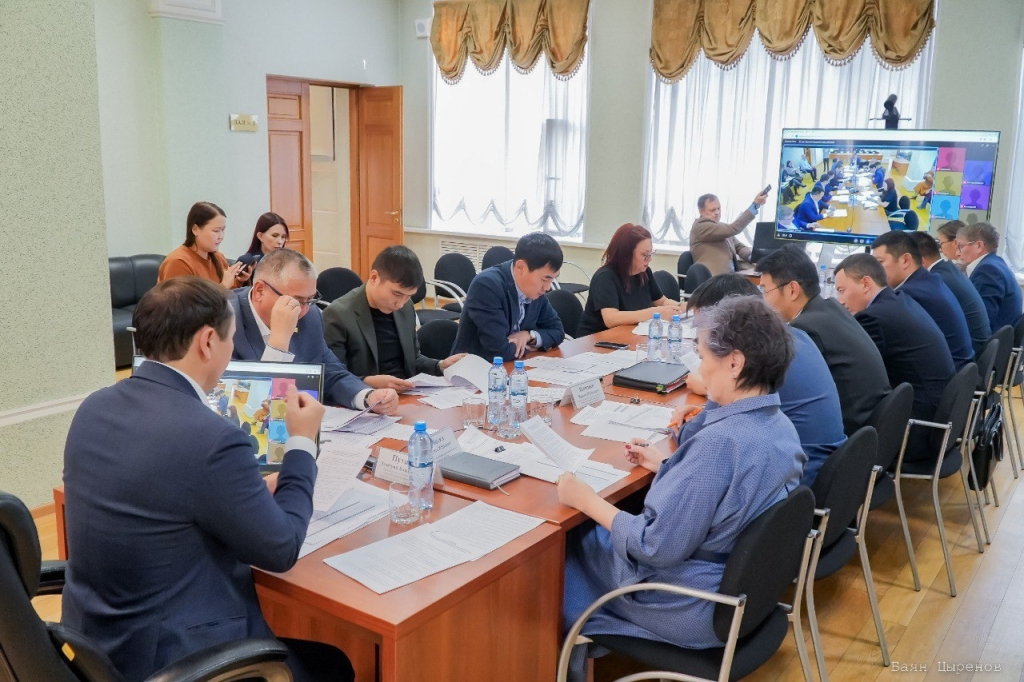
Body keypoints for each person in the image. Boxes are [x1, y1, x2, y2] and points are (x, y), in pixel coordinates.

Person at [61, 277, 354, 681]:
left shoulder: (94, 407)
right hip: (175, 656)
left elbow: (163, 492)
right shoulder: (212, 437)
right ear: (207, 342)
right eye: (231, 338)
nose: (232, 349)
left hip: (94, 646)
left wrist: (245, 490)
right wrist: (301, 443)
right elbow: (281, 550)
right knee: (336, 664)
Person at [556, 297, 804, 681]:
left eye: (704, 358)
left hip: (692, 605)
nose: (700, 369)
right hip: (747, 596)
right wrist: (668, 465)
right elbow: (729, 496)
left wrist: (585, 500)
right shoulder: (780, 427)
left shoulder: (719, 445)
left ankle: (570, 661)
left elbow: (653, 547)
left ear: (735, 363)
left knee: (571, 540)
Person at [680, 275, 845, 487]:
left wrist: (682, 425)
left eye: (704, 325)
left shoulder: (749, 362)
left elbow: (693, 438)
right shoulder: (793, 337)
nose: (702, 337)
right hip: (826, 467)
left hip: (798, 478)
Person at [231, 248, 398, 414]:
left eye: (310, 300)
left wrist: (368, 397)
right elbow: (245, 409)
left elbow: (331, 373)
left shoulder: (310, 316)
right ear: (260, 291)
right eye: (297, 300)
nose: (303, 311)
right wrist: (279, 341)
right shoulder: (224, 320)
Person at [756, 245, 891, 435]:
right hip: (871, 424)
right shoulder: (831, 308)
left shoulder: (804, 330)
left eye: (765, 290)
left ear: (793, 290)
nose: (763, 301)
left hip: (851, 432)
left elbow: (781, 392)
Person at [833, 254, 955, 445]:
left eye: (842, 290)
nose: (839, 300)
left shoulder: (873, 318)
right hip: (935, 415)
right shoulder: (898, 300)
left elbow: (851, 373)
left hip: (916, 429)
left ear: (866, 283)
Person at [323, 245, 466, 388]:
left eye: (409, 296)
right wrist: (368, 382)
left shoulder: (406, 307)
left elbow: (413, 360)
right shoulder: (338, 315)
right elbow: (333, 377)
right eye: (397, 294)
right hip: (367, 395)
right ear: (374, 278)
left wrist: (440, 365)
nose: (400, 304)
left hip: (407, 391)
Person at [451, 232, 566, 361]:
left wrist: (529, 336)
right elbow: (499, 352)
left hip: (514, 365)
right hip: (476, 368)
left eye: (553, 279)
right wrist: (529, 347)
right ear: (521, 267)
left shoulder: (535, 291)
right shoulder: (487, 286)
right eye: (545, 279)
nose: (548, 287)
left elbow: (558, 332)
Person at [871, 231, 974, 368]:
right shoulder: (929, 281)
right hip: (958, 368)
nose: (874, 271)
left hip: (947, 373)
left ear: (905, 260)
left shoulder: (910, 294)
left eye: (880, 262)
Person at [577, 223, 682, 336]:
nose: (649, 259)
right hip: (597, 338)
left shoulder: (644, 272)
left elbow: (661, 302)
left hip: (628, 334)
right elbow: (611, 319)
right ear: (626, 254)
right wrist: (655, 312)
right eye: (645, 255)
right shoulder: (605, 277)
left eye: (651, 253)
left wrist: (682, 307)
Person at [910, 231, 991, 357]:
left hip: (971, 353)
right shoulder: (948, 270)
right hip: (976, 348)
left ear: (919, 260)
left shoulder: (935, 280)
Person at [158, 201, 249, 288]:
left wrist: (239, 281)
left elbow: (229, 294)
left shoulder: (218, 257)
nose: (221, 236)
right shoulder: (178, 262)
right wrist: (223, 287)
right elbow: (182, 299)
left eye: (223, 230)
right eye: (216, 231)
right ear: (195, 229)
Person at [956, 221, 1024, 331]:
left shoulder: (987, 270)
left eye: (960, 246)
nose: (957, 253)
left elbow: (982, 320)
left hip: (991, 338)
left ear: (979, 246)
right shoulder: (996, 263)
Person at [689, 191, 767, 275]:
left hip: (731, 276)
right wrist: (755, 205)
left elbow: (738, 247)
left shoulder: (720, 227)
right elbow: (734, 228)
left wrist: (752, 257)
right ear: (701, 211)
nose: (717, 212)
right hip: (715, 279)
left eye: (719, 208)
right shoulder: (701, 226)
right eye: (712, 210)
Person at [237, 211, 289, 285]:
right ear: (260, 236)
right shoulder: (247, 261)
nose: (280, 241)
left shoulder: (287, 261)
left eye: (283, 237)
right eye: (274, 235)